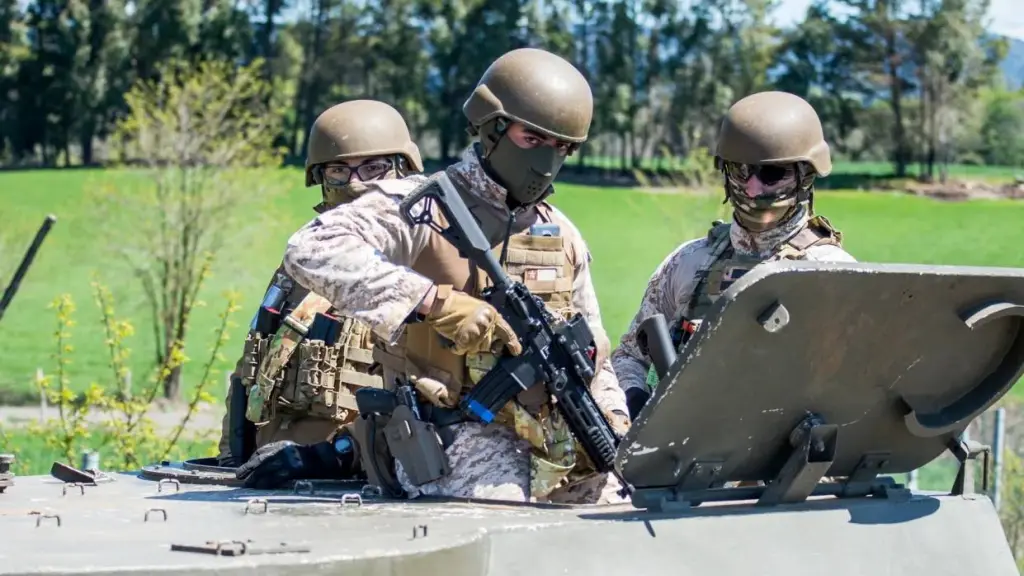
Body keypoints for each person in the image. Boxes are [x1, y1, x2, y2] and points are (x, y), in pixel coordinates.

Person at [257, 47, 630, 504]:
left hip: (552, 439)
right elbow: (310, 249)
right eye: (532, 139)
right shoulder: (423, 204)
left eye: (561, 147)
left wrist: (615, 423)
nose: (546, 159)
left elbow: (594, 354)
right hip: (445, 440)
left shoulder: (562, 234)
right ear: (492, 127)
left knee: (620, 508)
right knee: (503, 511)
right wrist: (434, 301)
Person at [611, 90, 857, 420]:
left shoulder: (834, 275)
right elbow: (629, 357)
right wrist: (635, 403)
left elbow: (860, 389)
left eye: (771, 174)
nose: (752, 189)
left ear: (807, 174)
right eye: (740, 171)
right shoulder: (689, 262)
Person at [216, 99, 424, 476]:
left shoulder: (422, 267)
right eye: (339, 170)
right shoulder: (303, 262)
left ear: (403, 171)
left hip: (355, 481)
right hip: (270, 474)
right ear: (322, 179)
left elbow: (433, 405)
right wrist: (232, 457)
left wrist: (335, 455)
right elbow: (253, 367)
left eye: (373, 168)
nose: (356, 183)